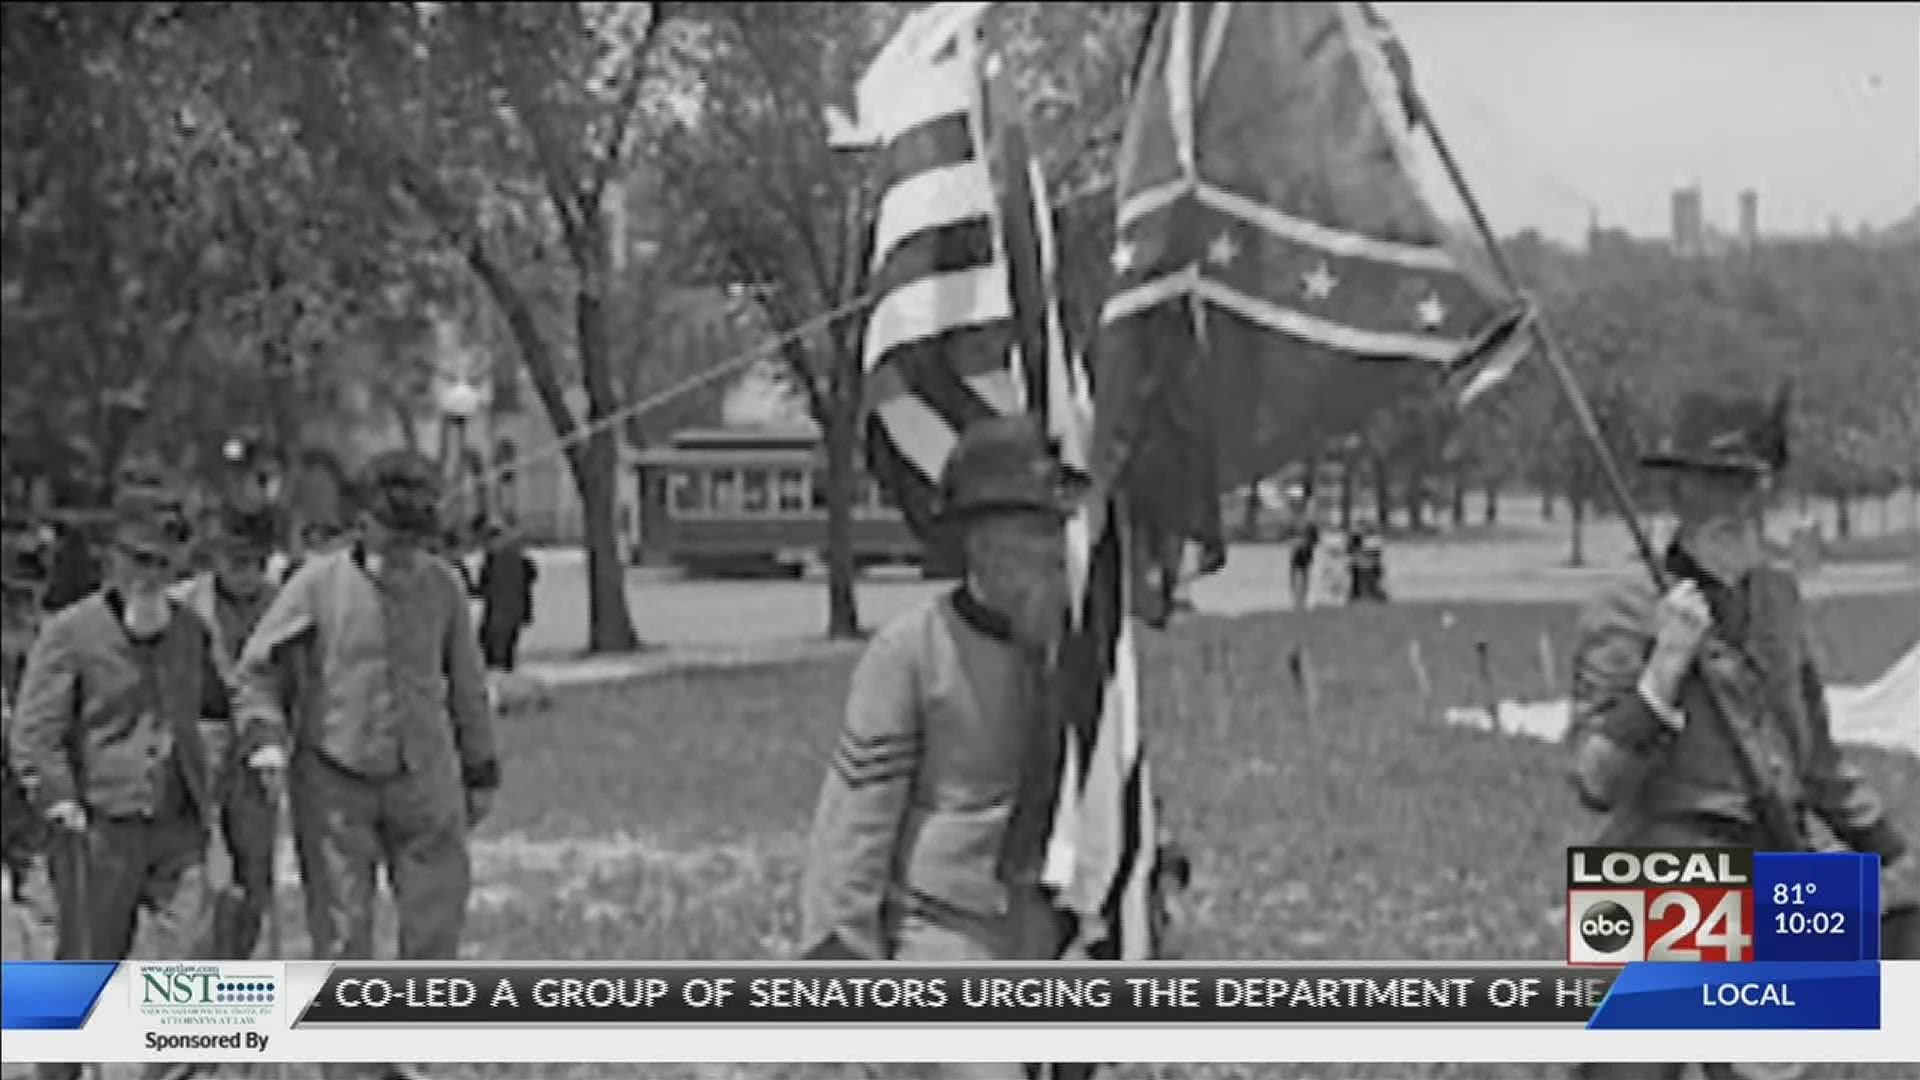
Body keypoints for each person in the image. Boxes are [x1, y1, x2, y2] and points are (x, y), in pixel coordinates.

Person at [1565, 386, 1914, 1080]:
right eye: (1713, 482)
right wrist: (1663, 667)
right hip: (1664, 875)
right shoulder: (1626, 603)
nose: (1733, 505)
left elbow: (1814, 756)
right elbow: (1595, 780)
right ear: (1678, 490)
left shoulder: (1779, 597)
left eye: (1748, 483)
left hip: (1778, 859)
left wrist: (1888, 847)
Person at [799, 415, 1076, 1080]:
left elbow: (1114, 781)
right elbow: (854, 827)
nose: (1048, 551)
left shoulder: (1081, 653)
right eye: (1029, 532)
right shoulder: (911, 652)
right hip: (945, 930)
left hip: (1057, 930)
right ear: (978, 541)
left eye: (1054, 532)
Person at [233, 450, 499, 1080]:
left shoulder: (444, 588)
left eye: (416, 540)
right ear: (365, 526)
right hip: (334, 784)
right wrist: (265, 737)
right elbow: (256, 671)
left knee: (435, 924)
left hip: (426, 778)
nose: (405, 554)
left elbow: (467, 681)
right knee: (344, 933)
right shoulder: (315, 585)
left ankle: (421, 1050)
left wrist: (481, 767)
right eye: (395, 538)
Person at [8, 493, 225, 1080]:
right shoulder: (69, 634)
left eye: (164, 563)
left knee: (194, 963)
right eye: (140, 561)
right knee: (76, 973)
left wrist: (251, 743)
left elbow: (216, 703)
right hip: (96, 832)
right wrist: (55, 794)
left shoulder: (190, 631)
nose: (152, 576)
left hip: (176, 827)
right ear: (113, 561)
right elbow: (33, 734)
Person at [168, 503, 283, 959]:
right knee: (207, 875)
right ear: (216, 558)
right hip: (201, 741)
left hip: (259, 748)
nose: (245, 573)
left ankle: (238, 961)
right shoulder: (182, 604)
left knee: (255, 875)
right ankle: (203, 968)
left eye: (254, 562)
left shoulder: (283, 606)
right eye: (235, 561)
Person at [476, 522, 537, 673]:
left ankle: (500, 678)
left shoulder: (510, 560)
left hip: (505, 612)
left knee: (500, 650)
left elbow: (527, 581)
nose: (487, 545)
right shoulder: (493, 560)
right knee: (497, 648)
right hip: (501, 611)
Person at [1288, 514, 1320, 609]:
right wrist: (1296, 543)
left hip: (1307, 558)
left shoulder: (1311, 527)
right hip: (1296, 558)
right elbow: (1290, 541)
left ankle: (1304, 600)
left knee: (1306, 580)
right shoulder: (1294, 525)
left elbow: (1316, 541)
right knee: (1296, 579)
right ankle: (1296, 600)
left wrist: (1307, 543)